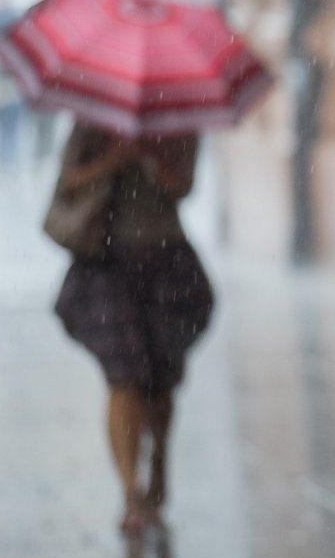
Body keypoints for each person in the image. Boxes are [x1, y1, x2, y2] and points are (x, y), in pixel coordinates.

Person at [50, 122, 213, 535]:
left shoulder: (180, 123)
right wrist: (112, 160)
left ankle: (158, 460)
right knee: (123, 376)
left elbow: (184, 187)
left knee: (160, 381)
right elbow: (68, 181)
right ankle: (130, 491)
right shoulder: (92, 121)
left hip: (167, 260)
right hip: (106, 261)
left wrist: (152, 156)